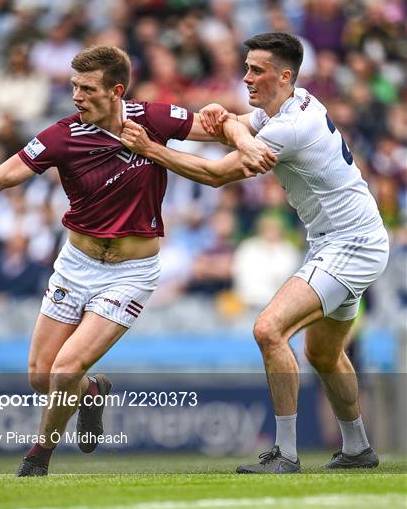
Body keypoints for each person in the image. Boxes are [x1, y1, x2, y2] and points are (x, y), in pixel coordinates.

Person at [0, 45, 276, 477]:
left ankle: (37, 457)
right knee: (41, 376)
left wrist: (227, 122)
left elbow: (229, 129)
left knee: (64, 370)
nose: (76, 96)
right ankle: (93, 391)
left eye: (87, 88)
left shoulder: (153, 119)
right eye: (73, 86)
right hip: (75, 264)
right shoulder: (62, 135)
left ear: (115, 91)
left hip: (131, 273)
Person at [121, 32, 390, 473]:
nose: (245, 77)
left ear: (284, 75)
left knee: (268, 330)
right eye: (245, 67)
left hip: (350, 245)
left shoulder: (290, 126)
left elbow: (214, 176)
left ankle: (284, 453)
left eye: (256, 70)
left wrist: (150, 148)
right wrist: (224, 118)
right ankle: (358, 447)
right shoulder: (293, 103)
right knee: (322, 354)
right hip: (345, 240)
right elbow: (241, 126)